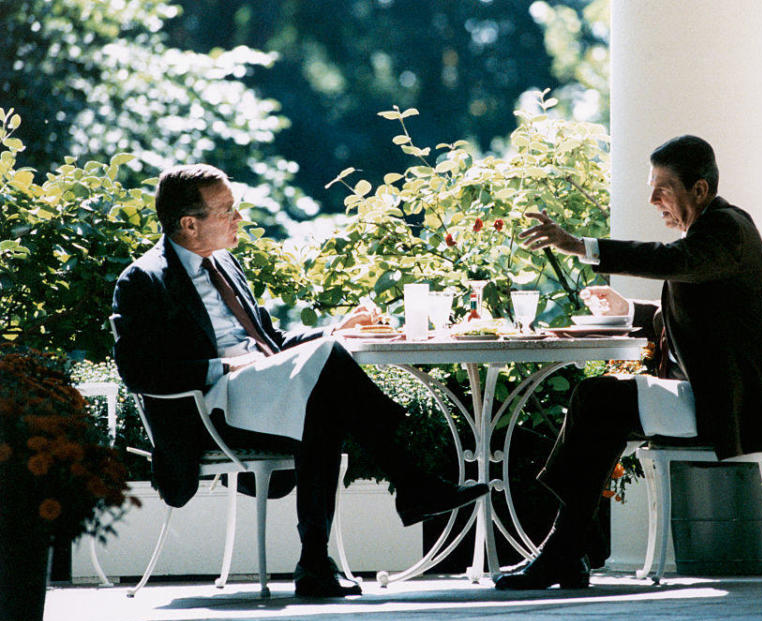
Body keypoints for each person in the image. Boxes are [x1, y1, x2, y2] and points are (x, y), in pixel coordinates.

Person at [112, 164, 489, 598]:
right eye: (228, 210)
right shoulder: (143, 279)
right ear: (189, 224)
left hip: (266, 388)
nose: (240, 219)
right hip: (211, 405)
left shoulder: (226, 265)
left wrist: (333, 329)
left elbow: (268, 339)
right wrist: (222, 368)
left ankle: (316, 564)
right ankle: (411, 485)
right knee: (323, 393)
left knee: (323, 402)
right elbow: (138, 371)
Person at [494, 135, 762, 590]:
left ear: (699, 190)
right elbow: (691, 314)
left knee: (598, 399)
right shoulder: (714, 235)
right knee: (600, 403)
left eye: (663, 188)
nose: (653, 200)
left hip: (732, 407)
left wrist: (580, 245)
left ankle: (566, 547)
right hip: (718, 397)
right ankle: (568, 547)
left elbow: (669, 260)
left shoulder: (725, 229)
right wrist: (627, 310)